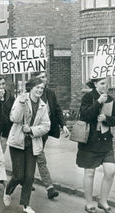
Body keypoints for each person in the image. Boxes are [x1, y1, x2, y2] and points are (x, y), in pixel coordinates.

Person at [3, 76, 50, 213]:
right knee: (18, 175)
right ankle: (8, 191)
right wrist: (22, 104)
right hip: (17, 142)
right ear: (31, 88)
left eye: (42, 88)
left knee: (29, 177)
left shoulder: (43, 105)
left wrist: (32, 130)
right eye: (37, 87)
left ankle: (26, 204)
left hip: (32, 144)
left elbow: (46, 126)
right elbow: (14, 118)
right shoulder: (21, 99)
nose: (40, 90)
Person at [77, 77, 115, 213]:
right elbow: (84, 116)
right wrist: (98, 102)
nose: (105, 87)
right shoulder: (88, 97)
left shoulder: (110, 99)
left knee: (111, 171)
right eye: (102, 84)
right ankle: (89, 203)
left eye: (107, 84)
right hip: (90, 141)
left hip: (105, 141)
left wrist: (106, 119)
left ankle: (103, 201)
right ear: (95, 84)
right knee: (89, 172)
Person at [32, 71, 69, 199]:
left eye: (45, 77)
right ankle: (49, 187)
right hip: (31, 132)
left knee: (36, 155)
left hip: (45, 131)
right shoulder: (29, 95)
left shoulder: (50, 93)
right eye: (40, 78)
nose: (44, 79)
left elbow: (57, 109)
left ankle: (29, 180)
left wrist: (63, 125)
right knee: (39, 158)